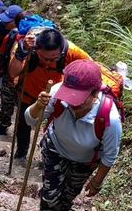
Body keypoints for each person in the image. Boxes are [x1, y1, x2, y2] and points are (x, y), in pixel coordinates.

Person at [25, 59, 123, 211]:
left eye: (78, 101)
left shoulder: (110, 118)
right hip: (55, 148)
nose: (71, 103)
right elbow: (31, 121)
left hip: (85, 161)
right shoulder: (56, 93)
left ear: (95, 94)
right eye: (69, 97)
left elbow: (109, 156)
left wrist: (96, 182)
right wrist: (38, 105)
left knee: (70, 191)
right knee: (51, 193)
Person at [7, 28, 90, 161]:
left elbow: (90, 69)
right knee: (23, 124)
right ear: (37, 50)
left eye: (54, 59)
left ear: (61, 51)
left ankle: (48, 156)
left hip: (55, 98)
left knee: (54, 128)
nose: (48, 63)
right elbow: (12, 72)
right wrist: (21, 51)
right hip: (28, 93)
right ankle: (21, 153)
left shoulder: (72, 52)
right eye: (43, 58)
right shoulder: (27, 47)